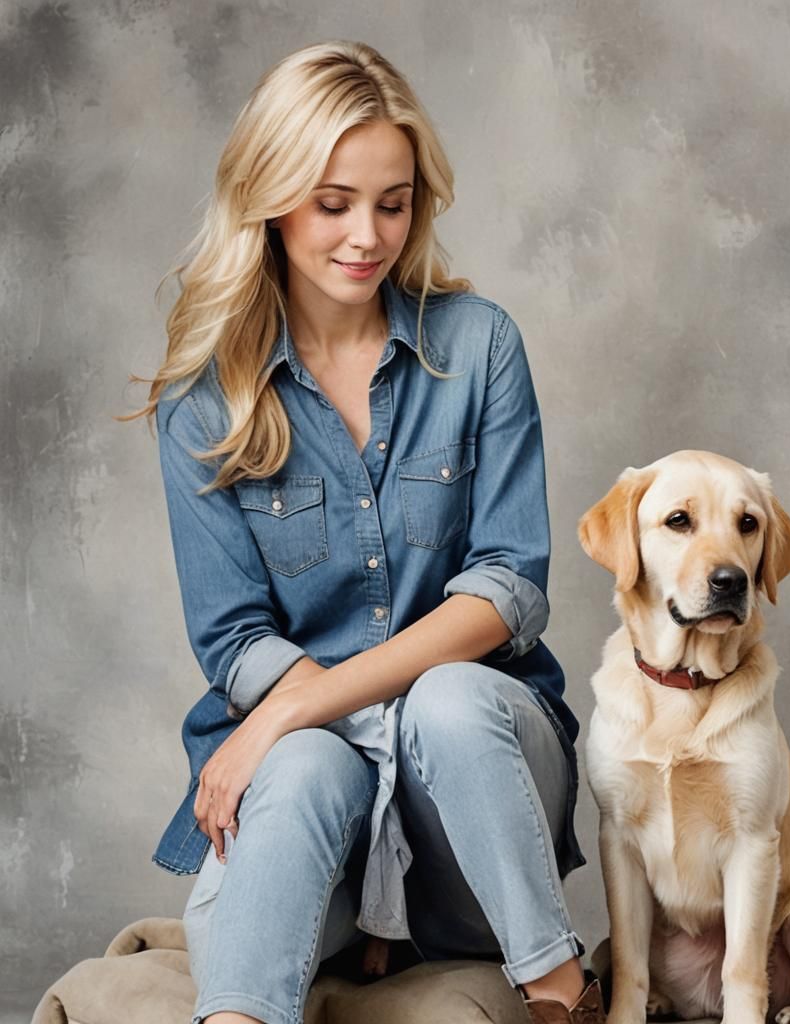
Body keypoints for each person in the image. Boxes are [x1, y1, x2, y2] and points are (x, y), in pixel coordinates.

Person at [126, 40, 603, 1024]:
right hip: (323, 809)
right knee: (300, 762)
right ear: (270, 195)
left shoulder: (477, 346)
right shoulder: (202, 401)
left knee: (447, 700)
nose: (367, 234)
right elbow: (233, 640)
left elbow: (506, 588)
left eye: (393, 201)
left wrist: (280, 713)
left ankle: (560, 993)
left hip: (475, 796)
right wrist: (294, 723)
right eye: (334, 201)